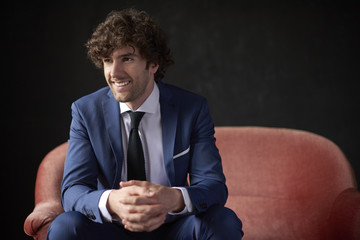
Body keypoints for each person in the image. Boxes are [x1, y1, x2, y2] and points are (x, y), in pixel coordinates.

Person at [47, 8, 243, 240]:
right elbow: (73, 190)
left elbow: (213, 186)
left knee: (223, 221)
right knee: (65, 227)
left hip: (173, 229)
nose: (114, 72)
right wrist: (112, 201)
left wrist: (172, 198)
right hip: (110, 229)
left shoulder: (191, 109)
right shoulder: (85, 111)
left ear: (153, 63)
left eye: (127, 59)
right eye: (108, 61)